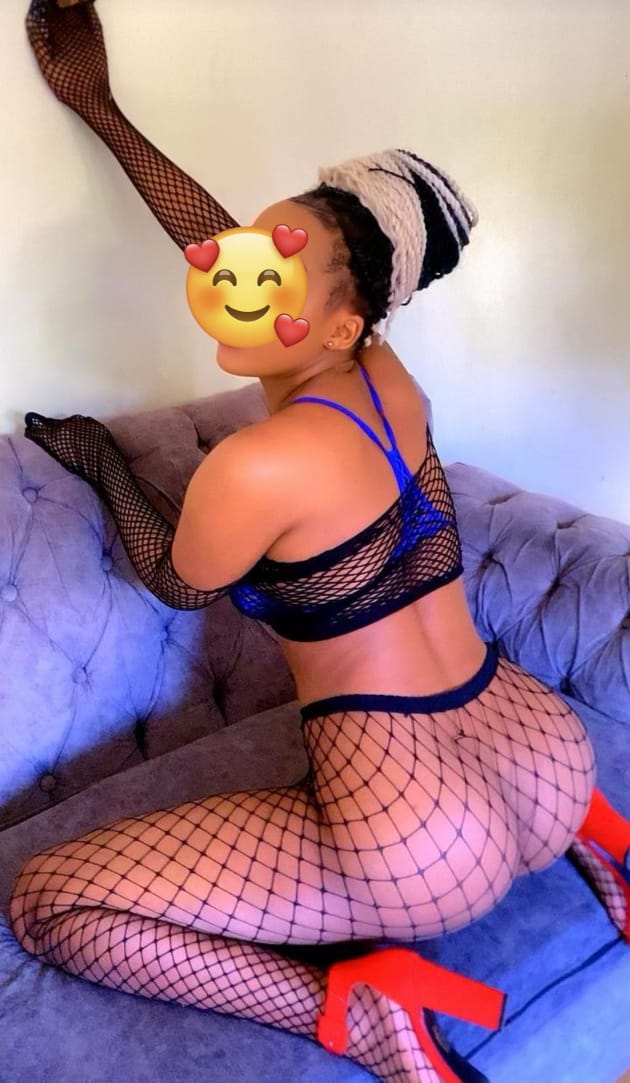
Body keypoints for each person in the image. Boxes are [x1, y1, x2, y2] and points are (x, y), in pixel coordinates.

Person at [9, 4, 630, 1083]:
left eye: (272, 277)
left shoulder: (256, 466)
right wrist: (102, 110)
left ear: (342, 321)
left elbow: (174, 578)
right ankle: (608, 850)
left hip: (412, 836)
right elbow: (228, 253)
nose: (232, 275)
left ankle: (354, 1009)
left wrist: (102, 459)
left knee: (48, 902)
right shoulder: (389, 377)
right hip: (542, 754)